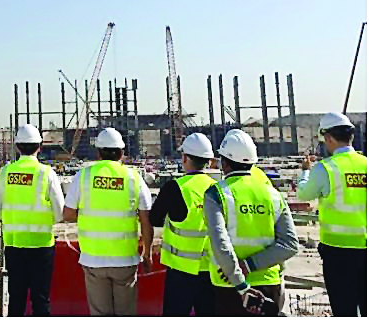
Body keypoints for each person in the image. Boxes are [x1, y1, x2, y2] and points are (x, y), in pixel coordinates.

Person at [203, 129, 298, 316]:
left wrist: (241, 284)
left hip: (230, 286)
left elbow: (221, 245)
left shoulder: (217, 194)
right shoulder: (273, 195)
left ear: (225, 162)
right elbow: (290, 245)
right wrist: (250, 265)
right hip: (269, 285)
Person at [63, 128, 153, 316]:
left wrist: (89, 216)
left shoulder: (84, 176)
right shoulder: (134, 178)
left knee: (100, 314)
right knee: (126, 314)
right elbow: (146, 219)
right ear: (121, 153)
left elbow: (68, 214)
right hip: (125, 259)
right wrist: (147, 253)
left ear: (98, 153)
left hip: (93, 259)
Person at [0, 124, 65, 316]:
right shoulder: (46, 173)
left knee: (16, 298)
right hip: (41, 245)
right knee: (40, 299)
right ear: (39, 146)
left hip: (14, 245)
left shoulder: (6, 173)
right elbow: (60, 212)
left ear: (17, 147)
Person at [296, 112, 366, 317]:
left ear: (328, 138)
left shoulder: (325, 168)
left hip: (338, 251)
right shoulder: (366, 164)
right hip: (366, 248)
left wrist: (306, 171)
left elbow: (304, 193)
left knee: (344, 310)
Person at [149, 133, 216, 316]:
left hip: (180, 272)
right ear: (209, 162)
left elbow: (154, 219)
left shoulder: (175, 188)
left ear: (185, 158)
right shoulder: (219, 188)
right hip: (211, 272)